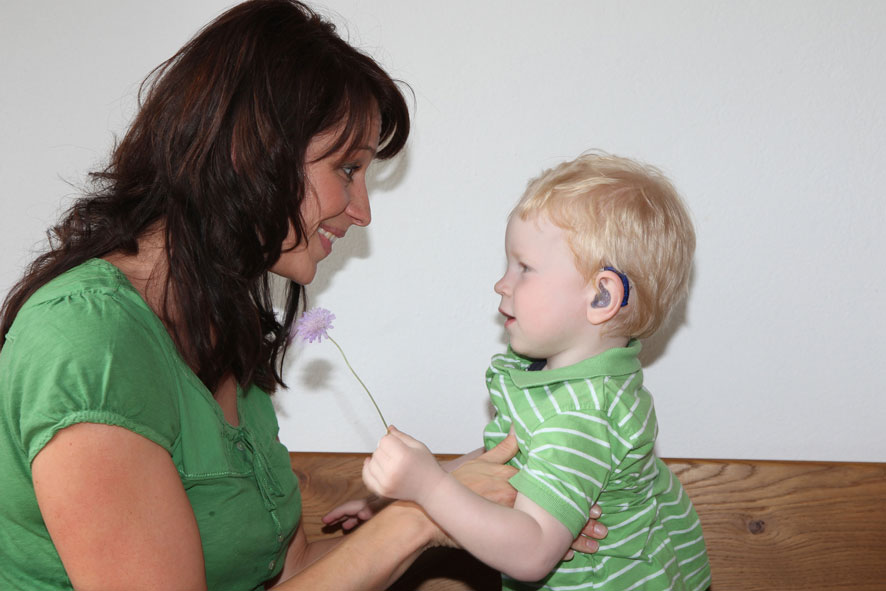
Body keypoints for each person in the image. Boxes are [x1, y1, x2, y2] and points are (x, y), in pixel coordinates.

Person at [0, 2, 608, 590]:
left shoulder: (224, 334)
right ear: (252, 153)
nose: (362, 211)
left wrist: (455, 504)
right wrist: (420, 514)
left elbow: (293, 573)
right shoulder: (87, 342)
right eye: (348, 169)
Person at [362, 152, 712, 590]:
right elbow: (510, 457)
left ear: (602, 297)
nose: (501, 283)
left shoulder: (582, 413)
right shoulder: (565, 387)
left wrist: (429, 489)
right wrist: (410, 492)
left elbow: (531, 554)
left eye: (524, 267)